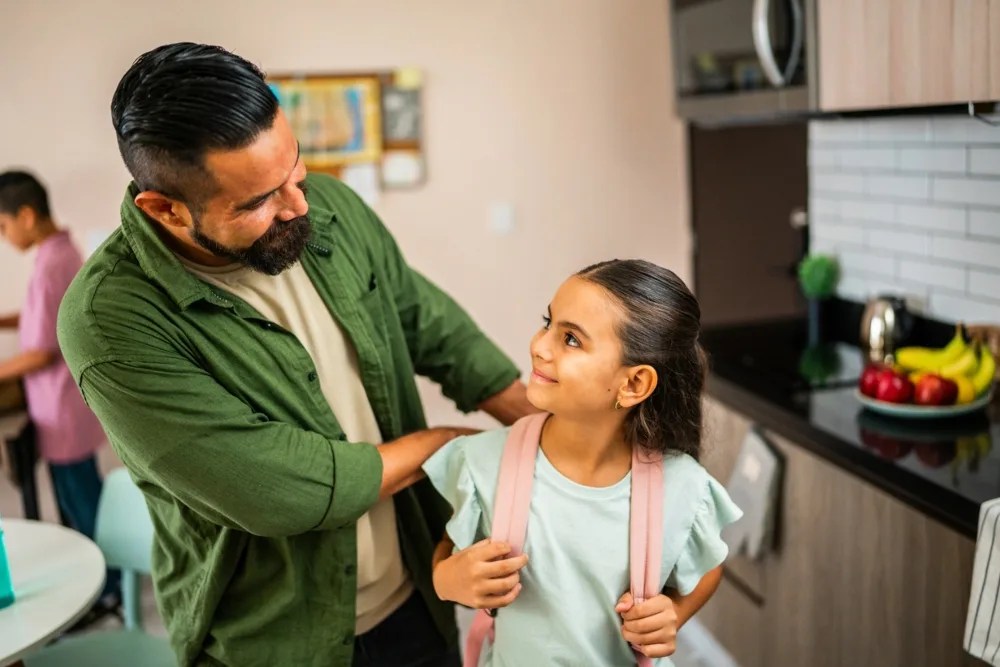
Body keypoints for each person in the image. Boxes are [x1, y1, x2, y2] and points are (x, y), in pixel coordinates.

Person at [56, 42, 539, 667]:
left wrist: (541, 421)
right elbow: (280, 489)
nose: (299, 205)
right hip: (270, 640)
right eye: (257, 201)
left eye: (296, 170)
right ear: (166, 209)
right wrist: (445, 445)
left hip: (416, 597)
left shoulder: (330, 209)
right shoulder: (111, 320)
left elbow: (431, 325)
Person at [424, 259, 743, 666]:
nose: (539, 346)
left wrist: (674, 614)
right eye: (548, 322)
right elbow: (448, 549)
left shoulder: (684, 489)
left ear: (633, 384)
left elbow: (708, 569)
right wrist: (447, 579)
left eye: (571, 339)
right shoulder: (483, 462)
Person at [0, 171, 120, 613]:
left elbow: (41, 352)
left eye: (2, 226)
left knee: (82, 503)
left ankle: (106, 589)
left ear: (26, 216)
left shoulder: (54, 264)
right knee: (78, 497)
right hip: (59, 407)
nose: (3, 236)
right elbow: (39, 316)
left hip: (63, 408)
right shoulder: (55, 254)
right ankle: (104, 582)